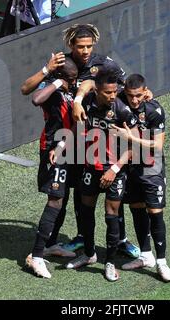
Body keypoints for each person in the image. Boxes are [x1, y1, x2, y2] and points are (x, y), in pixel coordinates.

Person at [21, 24, 140, 259]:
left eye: (89, 46)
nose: (85, 51)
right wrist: (47, 70)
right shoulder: (60, 64)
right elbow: (27, 90)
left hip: (99, 139)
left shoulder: (105, 63)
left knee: (113, 190)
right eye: (80, 46)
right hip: (70, 138)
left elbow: (122, 88)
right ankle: (80, 238)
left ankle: (122, 239)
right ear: (71, 45)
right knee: (76, 191)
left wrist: (144, 95)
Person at [64, 69, 139, 281]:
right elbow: (86, 83)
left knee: (111, 215)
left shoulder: (122, 111)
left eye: (115, 91)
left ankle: (110, 262)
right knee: (86, 212)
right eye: (108, 92)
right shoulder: (87, 103)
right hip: (90, 167)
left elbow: (135, 147)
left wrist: (114, 170)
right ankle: (89, 254)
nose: (112, 95)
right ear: (98, 91)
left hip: (114, 171)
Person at [111, 74, 170, 282]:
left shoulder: (154, 110)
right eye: (131, 96)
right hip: (131, 167)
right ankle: (146, 256)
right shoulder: (119, 101)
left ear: (145, 91)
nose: (135, 100)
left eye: (139, 95)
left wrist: (131, 138)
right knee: (136, 208)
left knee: (155, 213)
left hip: (151, 167)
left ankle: (162, 262)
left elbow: (157, 146)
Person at [25, 57, 79, 279]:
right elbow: (35, 99)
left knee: (63, 196)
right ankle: (36, 256)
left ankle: (51, 244)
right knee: (55, 199)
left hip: (69, 146)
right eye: (71, 79)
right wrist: (57, 83)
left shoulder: (73, 91)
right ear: (61, 78)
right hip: (51, 148)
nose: (74, 83)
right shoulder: (51, 90)